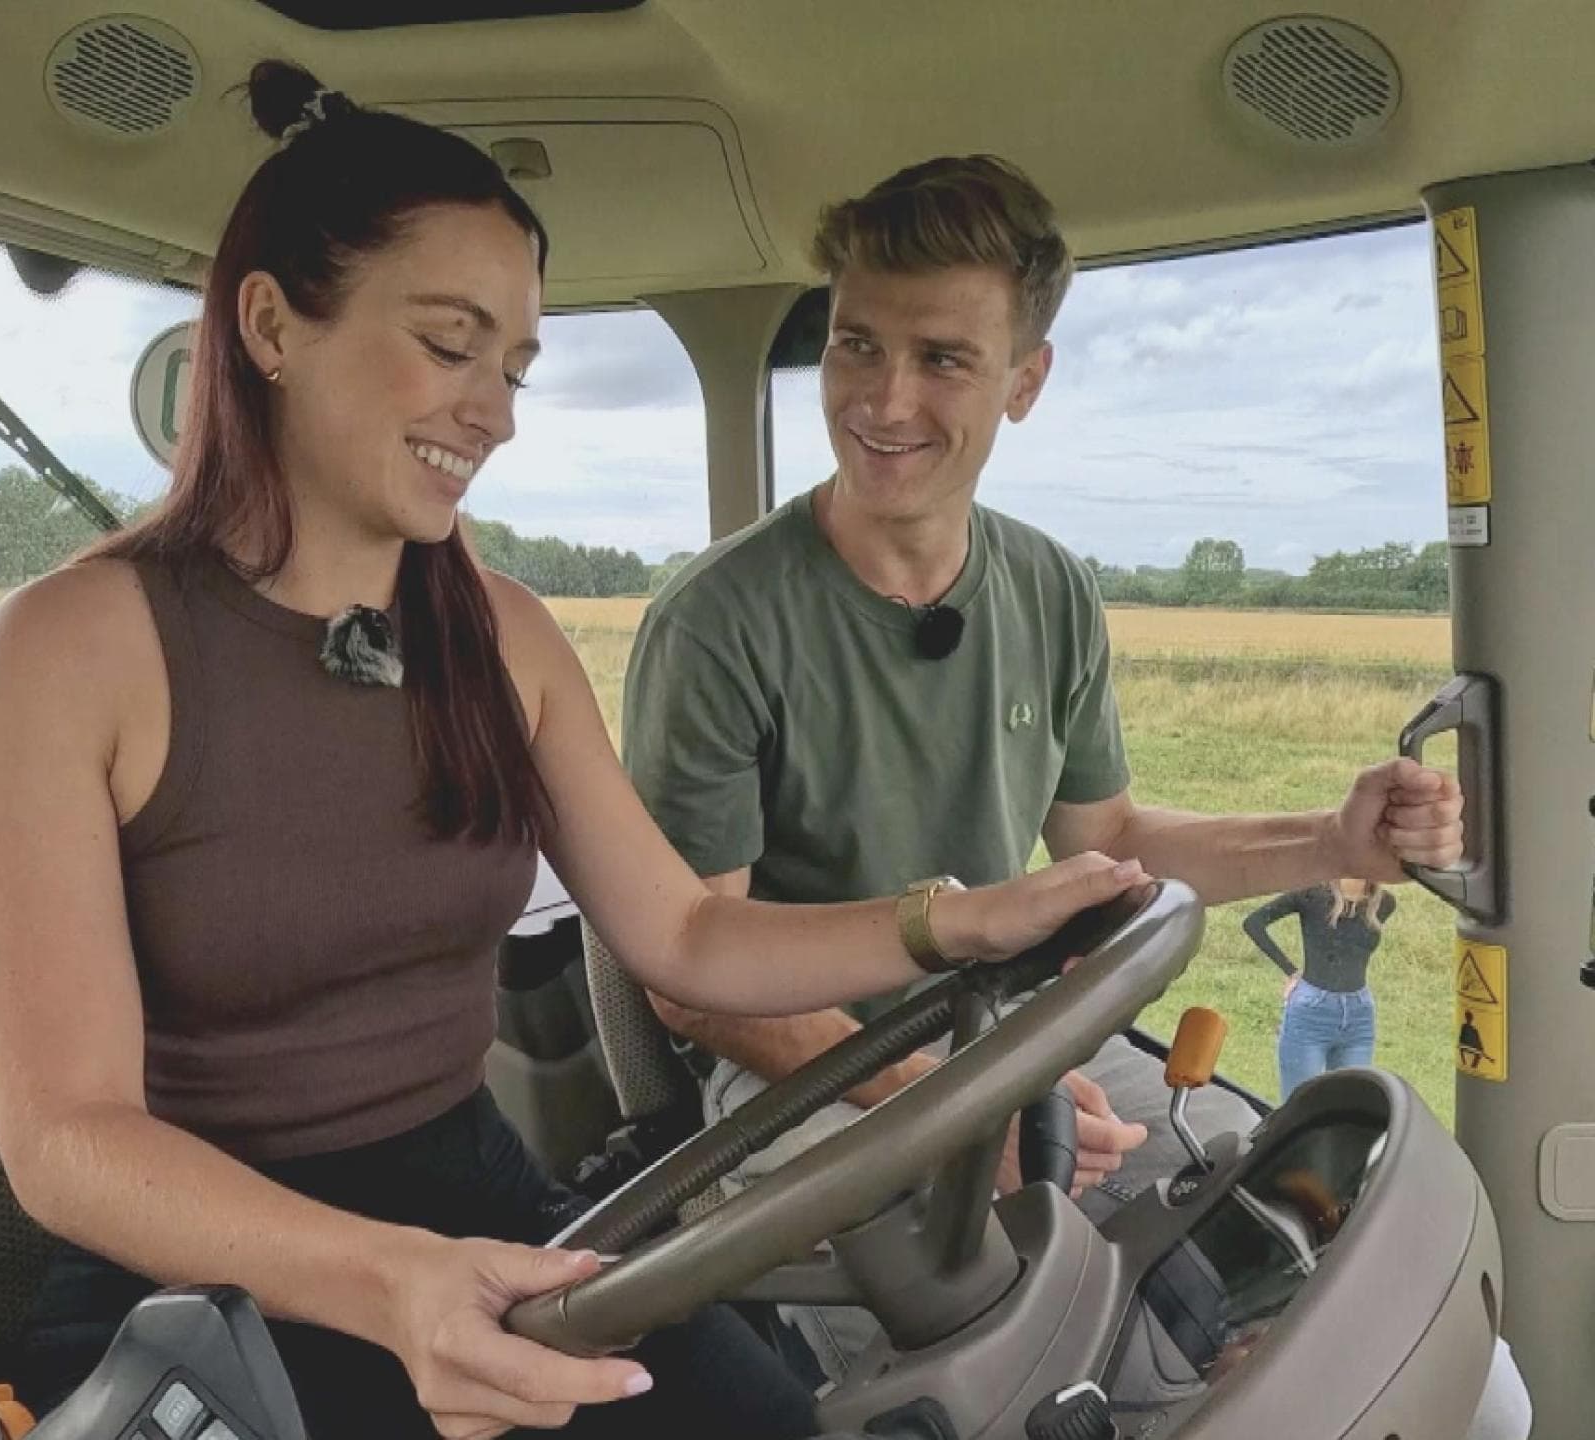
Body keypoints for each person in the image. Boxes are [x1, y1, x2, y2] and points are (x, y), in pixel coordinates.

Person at [0, 67, 1160, 1440]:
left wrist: (956, 923)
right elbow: (67, 1142)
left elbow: (692, 934)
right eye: (450, 345)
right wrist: (388, 1283)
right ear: (275, 324)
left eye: (514, 367)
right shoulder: (69, 652)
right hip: (191, 1273)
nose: (495, 411)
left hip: (475, 1206)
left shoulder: (500, 635)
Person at [619, 155, 1523, 1433]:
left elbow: (1108, 842)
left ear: (1024, 382)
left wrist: (1331, 837)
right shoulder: (717, 624)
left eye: (941, 358)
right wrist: (945, 1108)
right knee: (1010, 1381)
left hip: (1033, 1045)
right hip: (819, 1087)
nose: (882, 399)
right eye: (856, 346)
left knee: (1312, 1281)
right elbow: (692, 972)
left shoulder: (1047, 590)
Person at [1244, 878, 1398, 1099]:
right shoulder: (1312, 895)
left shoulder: (1383, 903)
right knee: (1298, 1106)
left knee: (1351, 1107)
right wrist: (1290, 971)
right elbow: (1254, 923)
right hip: (1311, 1011)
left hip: (1359, 1014)